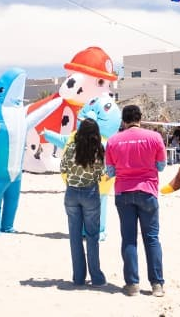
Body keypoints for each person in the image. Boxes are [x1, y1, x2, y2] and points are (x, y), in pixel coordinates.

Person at [105, 104, 166, 298]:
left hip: (123, 192)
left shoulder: (113, 141)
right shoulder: (155, 137)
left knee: (129, 239)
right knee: (152, 238)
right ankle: (156, 284)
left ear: (123, 120)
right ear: (140, 118)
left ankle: (132, 285)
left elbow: (110, 171)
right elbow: (161, 166)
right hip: (147, 191)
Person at [61, 118, 107, 287]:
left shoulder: (71, 148)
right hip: (90, 193)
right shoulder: (97, 149)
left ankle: (78, 277)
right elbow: (102, 172)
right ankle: (96, 277)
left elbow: (63, 168)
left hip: (71, 193)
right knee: (92, 236)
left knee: (74, 236)